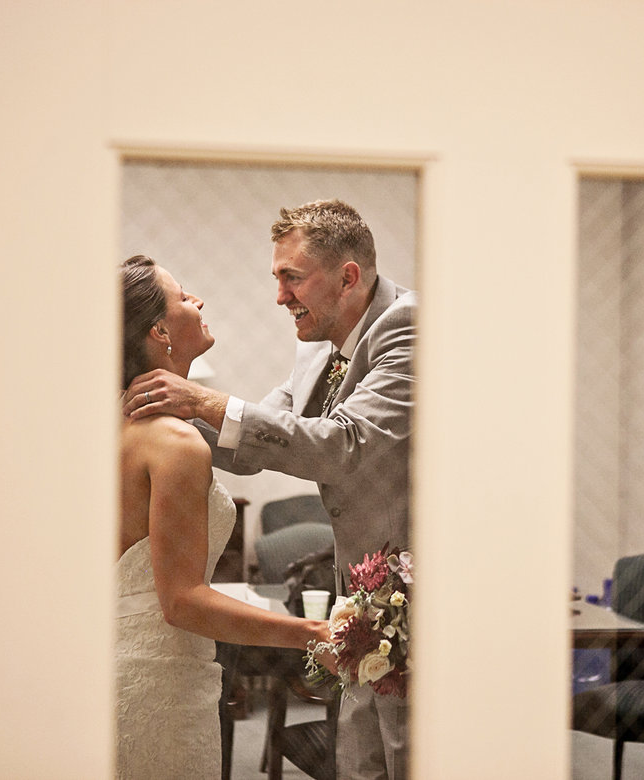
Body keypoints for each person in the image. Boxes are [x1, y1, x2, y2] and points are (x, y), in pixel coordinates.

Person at [123, 199, 415, 780]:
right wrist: (177, 413)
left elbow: (341, 445)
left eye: (292, 278)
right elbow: (259, 440)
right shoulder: (318, 344)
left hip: (413, 595)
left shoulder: (408, 326)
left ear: (348, 276)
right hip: (361, 599)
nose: (279, 296)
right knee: (364, 761)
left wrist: (197, 402)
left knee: (409, 755)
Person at [115, 254, 331, 780]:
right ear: (160, 330)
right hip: (160, 675)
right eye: (184, 295)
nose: (199, 301)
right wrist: (310, 633)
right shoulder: (174, 443)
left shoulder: (117, 422)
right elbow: (181, 601)